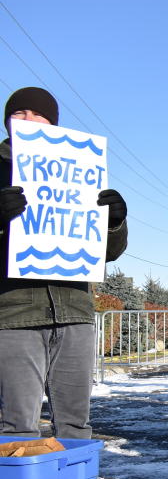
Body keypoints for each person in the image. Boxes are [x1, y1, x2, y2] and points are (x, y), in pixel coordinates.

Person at [0, 87, 128, 438]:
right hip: (14, 314)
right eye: (19, 112)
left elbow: (108, 252)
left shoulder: (78, 168)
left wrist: (114, 222)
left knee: (76, 425)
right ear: (7, 120)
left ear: (53, 124)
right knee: (18, 426)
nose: (29, 120)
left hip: (75, 311)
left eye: (39, 114)